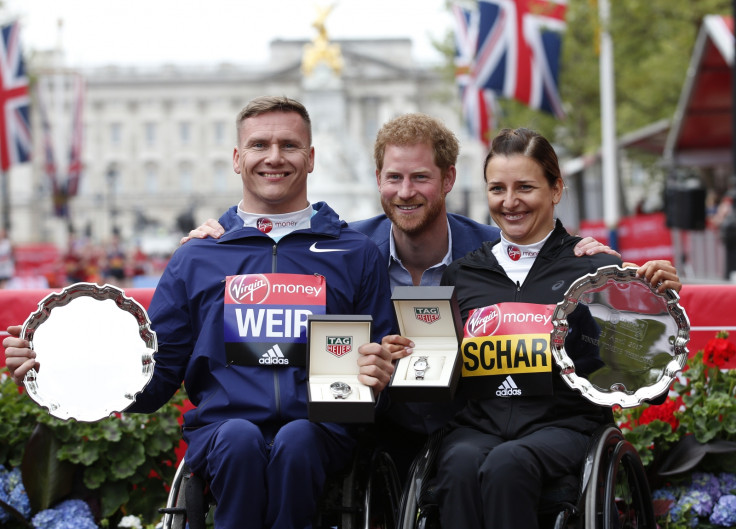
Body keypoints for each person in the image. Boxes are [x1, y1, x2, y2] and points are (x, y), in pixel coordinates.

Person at [183, 113, 681, 479]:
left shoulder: (494, 253)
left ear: (448, 180)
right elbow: (273, 247)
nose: (406, 191)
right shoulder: (343, 250)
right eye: (394, 178)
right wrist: (221, 232)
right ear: (378, 180)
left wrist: (608, 269)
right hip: (375, 429)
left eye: (420, 177)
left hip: (468, 426)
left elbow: (549, 258)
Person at [3, 96, 396, 529]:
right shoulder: (198, 257)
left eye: (289, 145)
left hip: (321, 432)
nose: (274, 157)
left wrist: (383, 371)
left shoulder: (355, 253)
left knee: (297, 438)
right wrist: (53, 365)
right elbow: (154, 375)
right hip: (224, 433)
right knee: (240, 438)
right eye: (259, 145)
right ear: (236, 158)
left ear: (311, 157)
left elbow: (384, 357)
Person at [391, 127, 674, 529]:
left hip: (563, 426)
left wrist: (653, 301)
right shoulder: (463, 273)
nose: (509, 202)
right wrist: (406, 356)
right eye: (497, 189)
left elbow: (648, 383)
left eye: (525, 187)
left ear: (556, 189)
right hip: (479, 426)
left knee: (509, 463)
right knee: (457, 465)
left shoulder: (593, 270)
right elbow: (439, 372)